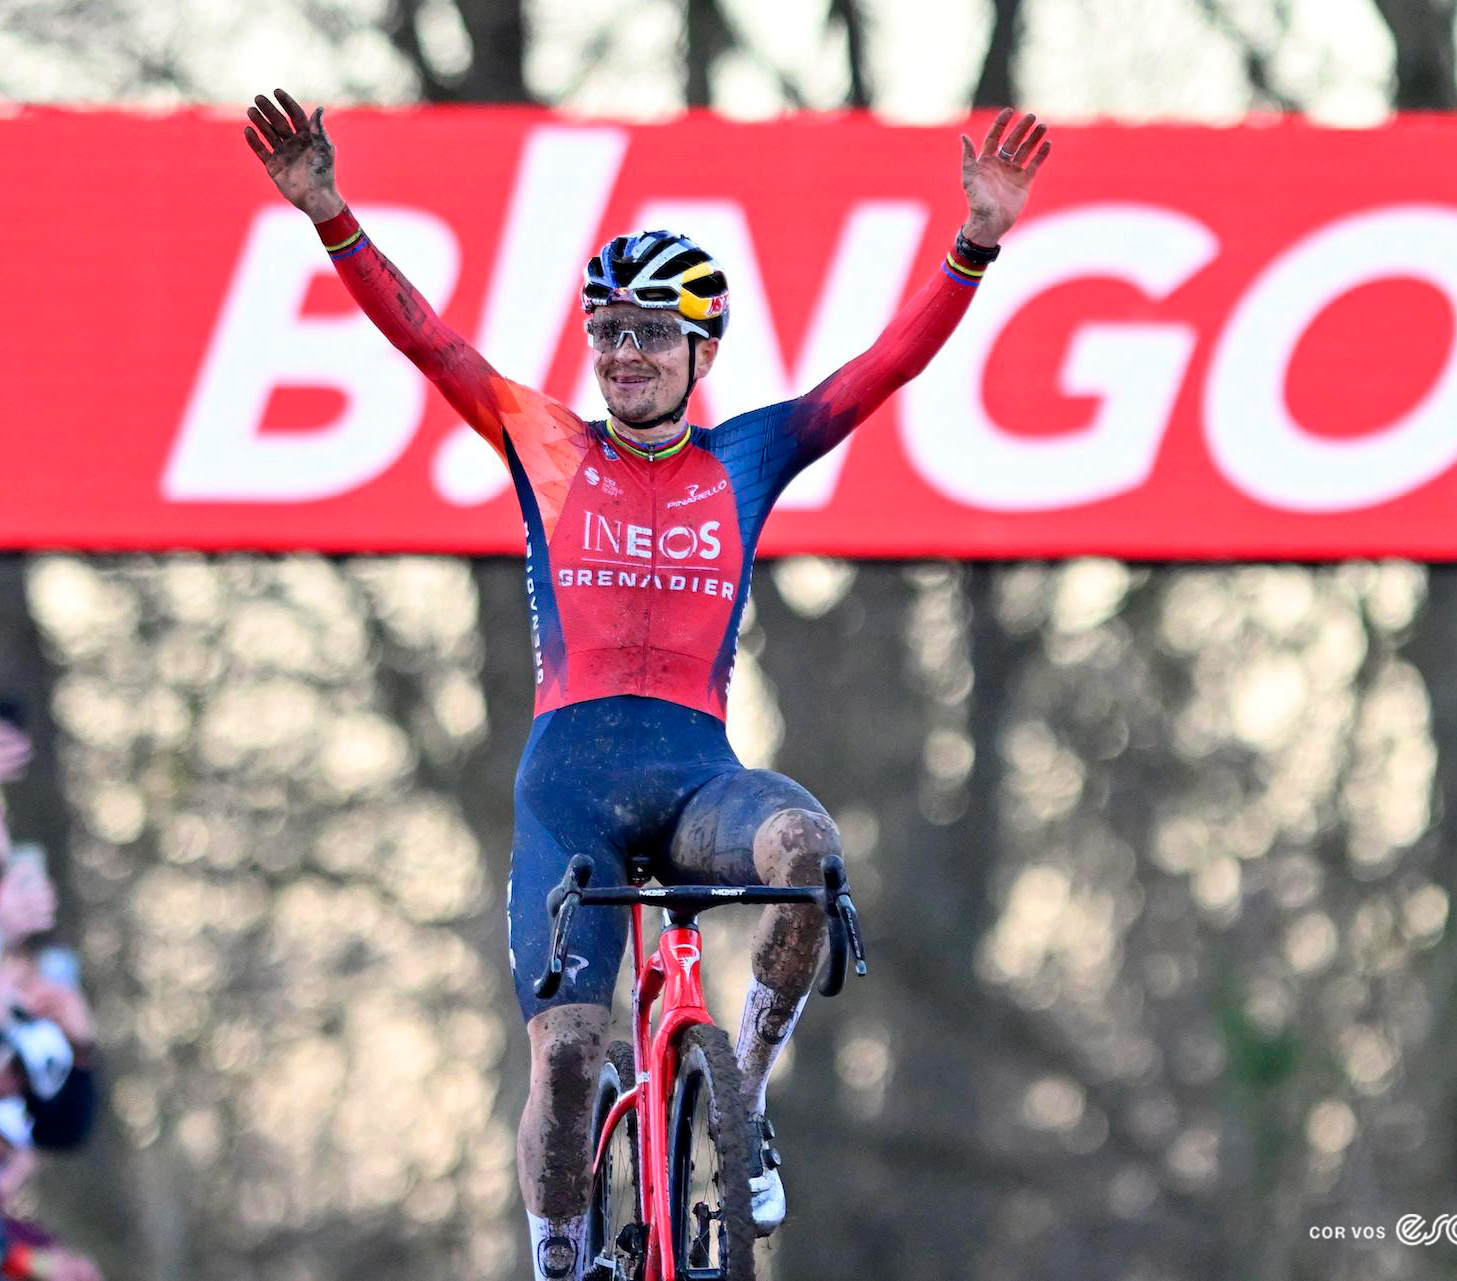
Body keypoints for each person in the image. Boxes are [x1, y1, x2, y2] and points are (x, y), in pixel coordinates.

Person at [245, 87, 1053, 1279]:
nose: (624, 357)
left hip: (694, 781)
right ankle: (561, 1255)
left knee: (810, 863)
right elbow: (428, 338)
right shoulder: (545, 440)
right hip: (566, 796)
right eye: (608, 333)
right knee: (570, 1060)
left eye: (651, 334)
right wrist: (329, 213)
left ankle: (748, 1102)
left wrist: (975, 242)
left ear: (700, 352)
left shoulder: (749, 456)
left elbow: (884, 367)